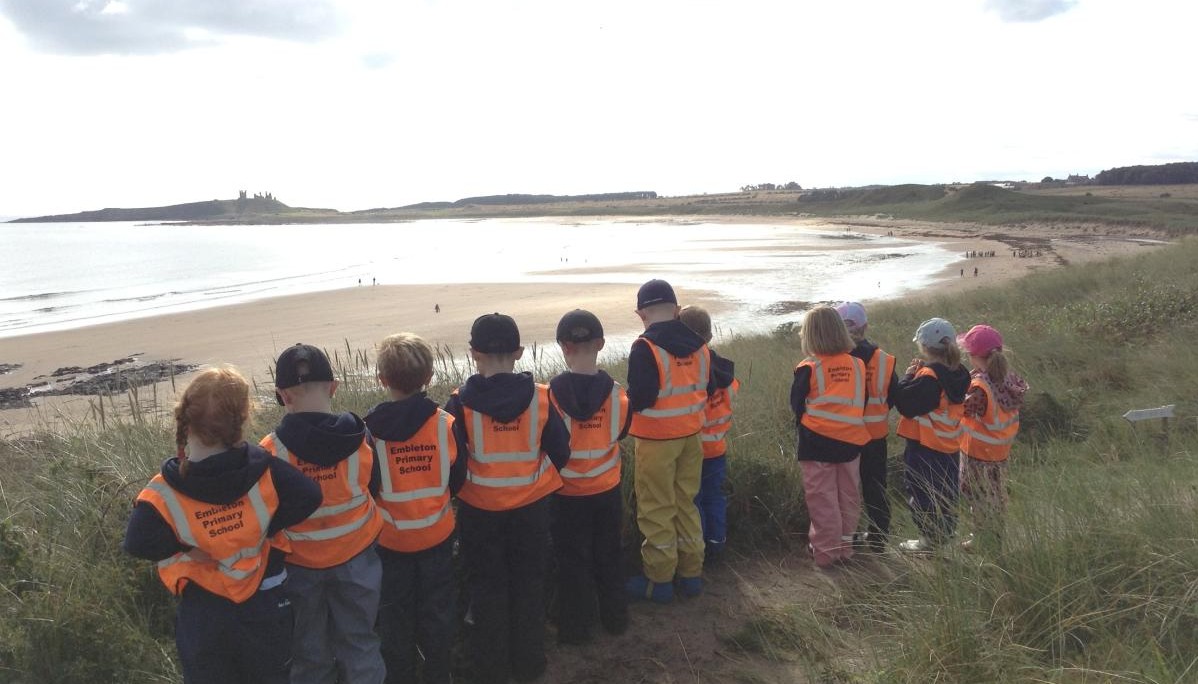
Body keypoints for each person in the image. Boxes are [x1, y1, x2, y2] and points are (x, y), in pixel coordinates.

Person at [124, 367, 322, 684]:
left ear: (186, 420)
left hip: (204, 610)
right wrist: (264, 525)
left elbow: (137, 542)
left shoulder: (165, 488)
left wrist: (185, 546)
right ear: (241, 420)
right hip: (263, 602)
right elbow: (310, 495)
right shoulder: (263, 469)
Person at [445, 313, 571, 683]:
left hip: (480, 512)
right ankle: (529, 664)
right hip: (531, 510)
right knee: (529, 584)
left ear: (474, 353)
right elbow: (561, 452)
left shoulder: (459, 404)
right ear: (518, 352)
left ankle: (492, 668)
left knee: (487, 588)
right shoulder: (542, 398)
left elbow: (453, 464)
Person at [259, 343, 386, 684]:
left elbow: (267, 514)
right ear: (333, 387)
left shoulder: (270, 451)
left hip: (300, 565)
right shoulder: (361, 437)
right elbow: (374, 486)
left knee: (309, 653)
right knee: (360, 643)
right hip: (357, 557)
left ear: (283, 396)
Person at [366, 333, 467, 684]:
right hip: (436, 536)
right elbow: (458, 478)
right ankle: (439, 674)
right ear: (428, 377)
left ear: (382, 379)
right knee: (438, 614)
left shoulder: (369, 431)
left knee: (395, 618)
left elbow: (368, 487)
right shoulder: (445, 424)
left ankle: (400, 676)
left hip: (391, 542)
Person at [625, 279, 714, 603]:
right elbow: (708, 386)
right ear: (676, 310)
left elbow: (642, 398)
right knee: (685, 503)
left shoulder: (644, 347)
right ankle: (691, 573)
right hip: (691, 436)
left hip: (656, 440)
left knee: (656, 507)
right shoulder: (700, 346)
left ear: (641, 314)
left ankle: (659, 579)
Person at [547, 309, 631, 644]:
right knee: (609, 553)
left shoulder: (549, 395)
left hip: (566, 492)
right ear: (601, 344)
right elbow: (621, 431)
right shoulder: (618, 394)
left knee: (571, 559)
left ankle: (575, 629)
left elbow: (548, 442)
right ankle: (615, 618)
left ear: (563, 346)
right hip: (606, 488)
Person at [790, 306, 871, 569]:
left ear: (809, 336)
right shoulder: (858, 364)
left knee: (822, 499)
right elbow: (862, 399)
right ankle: (845, 548)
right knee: (848, 497)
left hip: (816, 443)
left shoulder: (808, 367)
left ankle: (826, 553)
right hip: (851, 442)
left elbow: (796, 406)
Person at [894, 318, 971, 552]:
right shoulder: (961, 372)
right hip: (950, 444)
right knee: (947, 492)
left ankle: (929, 540)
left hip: (925, 446)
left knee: (922, 492)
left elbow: (905, 405)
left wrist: (908, 376)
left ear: (925, 347)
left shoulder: (929, 377)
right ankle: (946, 535)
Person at [958, 324, 1028, 552]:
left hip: (978, 454)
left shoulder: (980, 388)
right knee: (994, 497)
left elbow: (961, 410)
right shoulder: (1009, 379)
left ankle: (984, 541)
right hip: (999, 452)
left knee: (978, 497)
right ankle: (994, 539)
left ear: (974, 356)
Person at [835, 302, 898, 553]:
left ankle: (846, 535)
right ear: (866, 326)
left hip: (843, 436)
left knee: (846, 488)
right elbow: (892, 396)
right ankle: (878, 537)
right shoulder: (884, 360)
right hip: (875, 436)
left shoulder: (835, 360)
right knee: (876, 487)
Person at [678, 304, 738, 562]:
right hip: (717, 448)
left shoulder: (689, 370)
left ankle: (698, 547)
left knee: (693, 500)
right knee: (714, 496)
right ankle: (717, 543)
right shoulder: (725, 370)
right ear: (710, 335)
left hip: (693, 449)